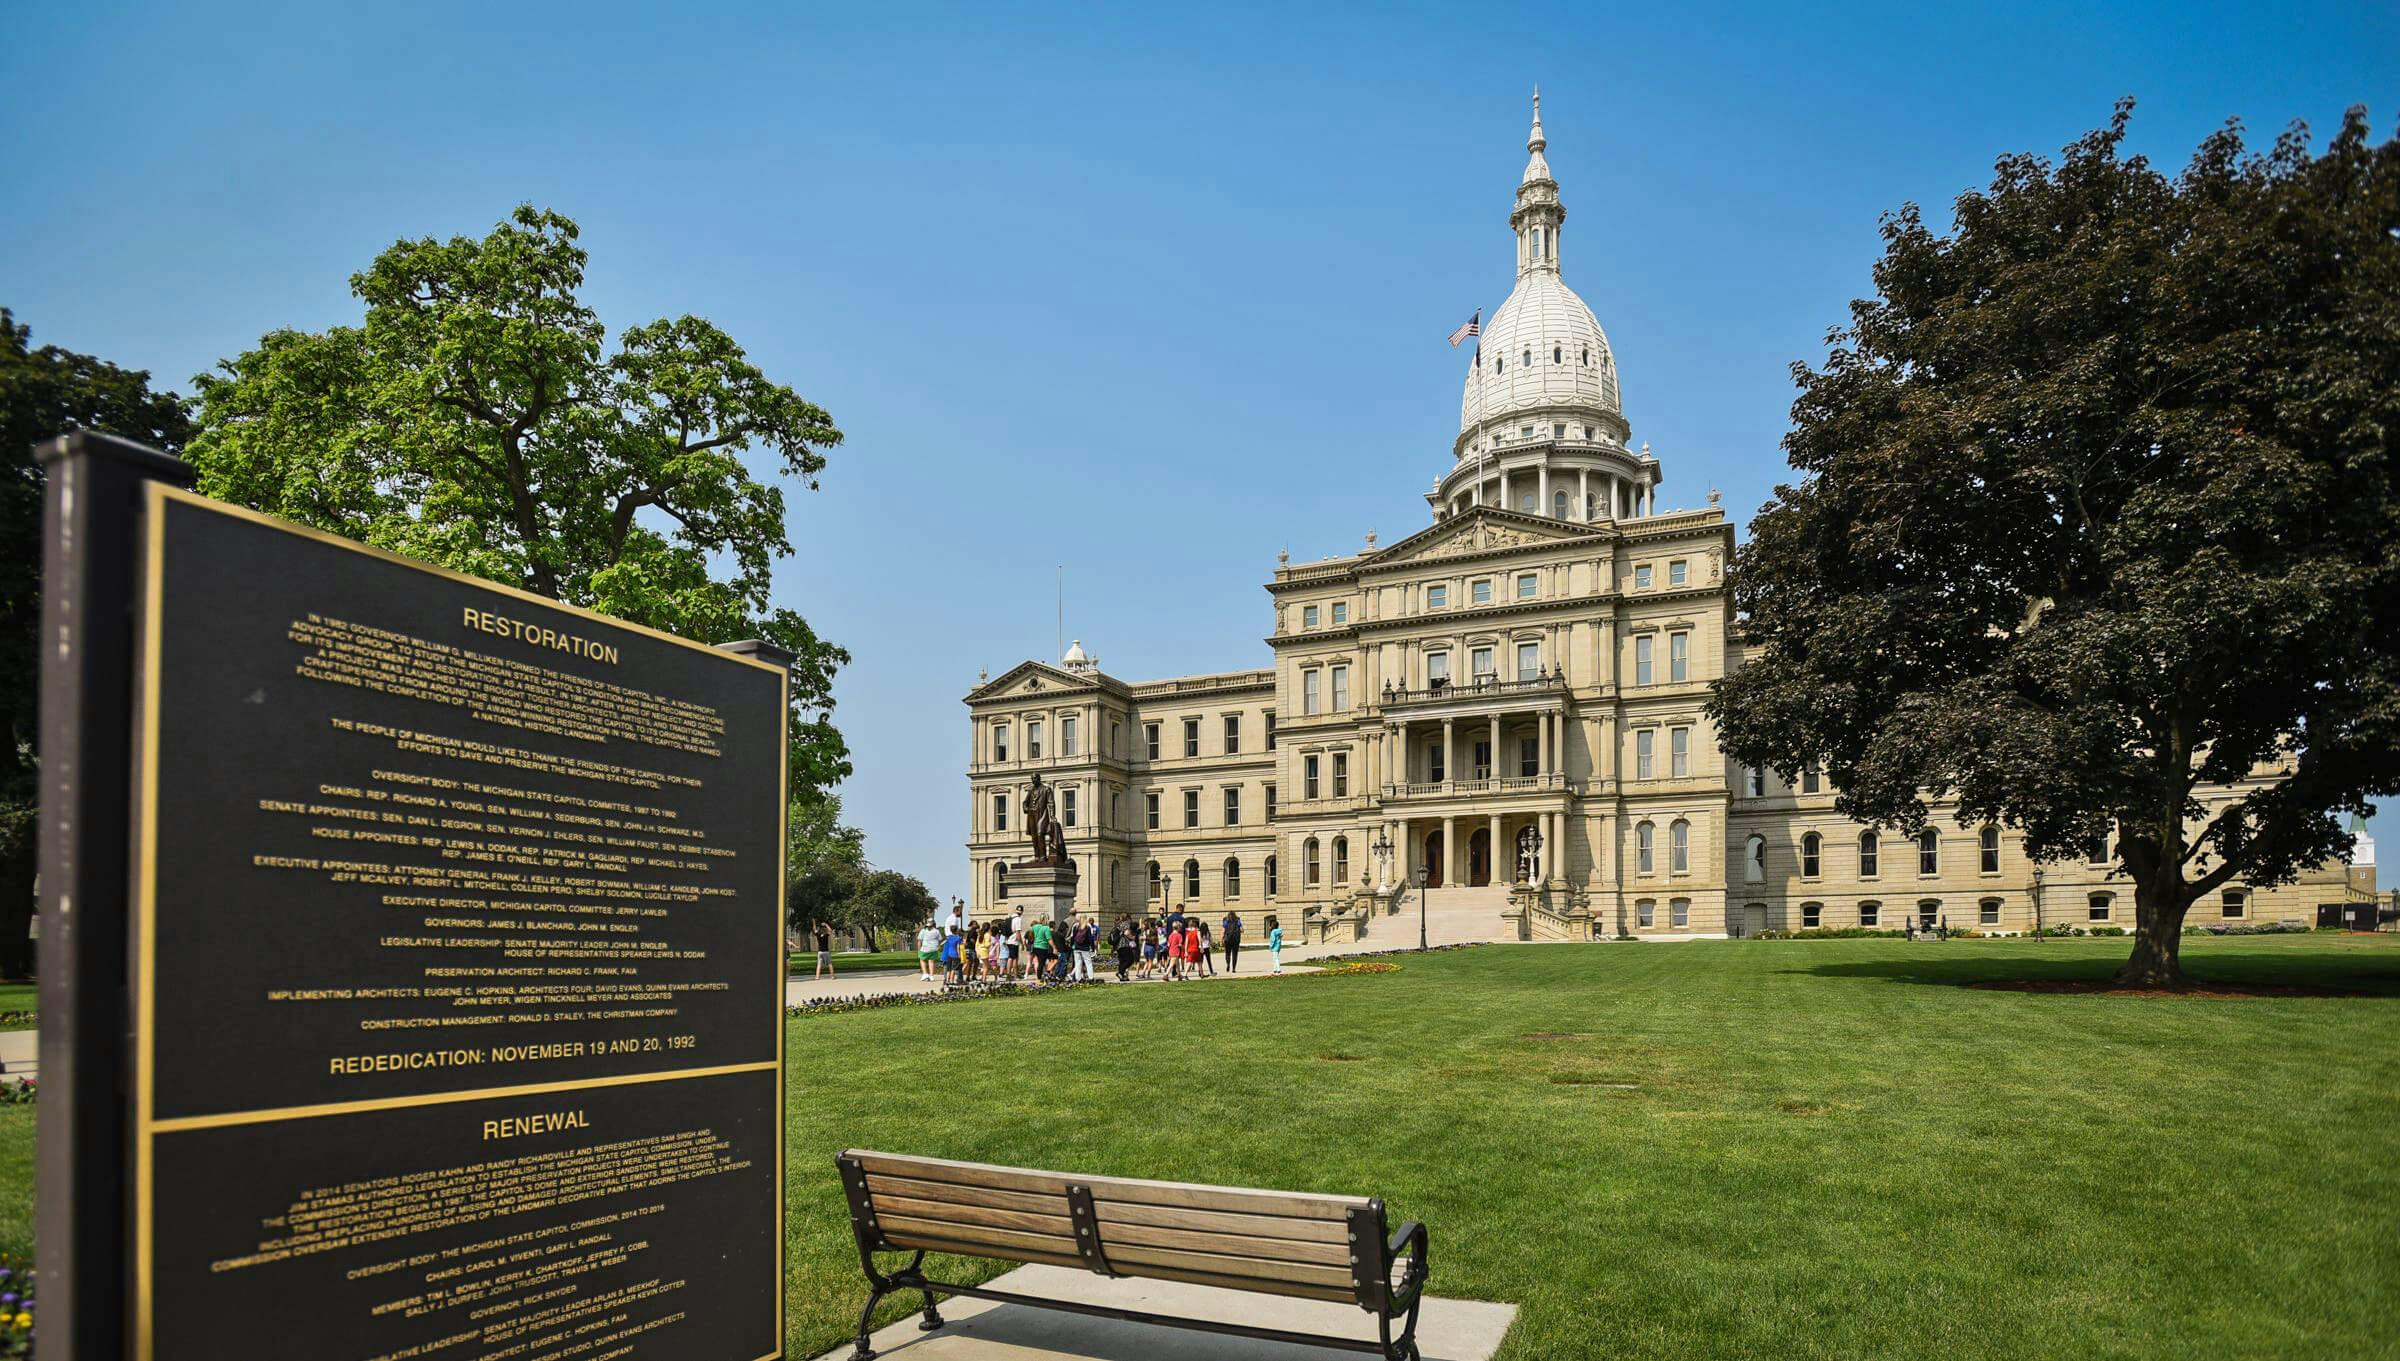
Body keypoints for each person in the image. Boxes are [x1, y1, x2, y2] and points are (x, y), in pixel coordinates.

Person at [1028, 915, 1054, 982]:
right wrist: (1054, 947)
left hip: (1035, 947)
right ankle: (1039, 979)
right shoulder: (1046, 928)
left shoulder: (1035, 926)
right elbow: (1049, 939)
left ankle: (1042, 976)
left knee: (1040, 963)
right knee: (1041, 963)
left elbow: (1030, 934)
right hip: (1043, 947)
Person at [1073, 917, 1097, 982]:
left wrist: (1072, 946)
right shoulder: (1087, 927)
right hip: (1085, 948)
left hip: (1076, 948)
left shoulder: (1076, 927)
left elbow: (1073, 937)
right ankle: (1091, 978)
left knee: (1078, 963)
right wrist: (1093, 947)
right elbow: (1090, 939)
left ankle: (1078, 978)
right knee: (1088, 963)